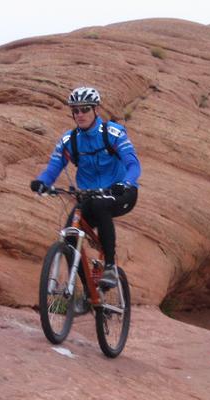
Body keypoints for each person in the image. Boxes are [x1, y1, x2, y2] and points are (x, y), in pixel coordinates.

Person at [30, 86, 141, 288]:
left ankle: (110, 267)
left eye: (85, 109)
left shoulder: (113, 133)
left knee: (100, 205)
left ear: (96, 110)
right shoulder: (69, 141)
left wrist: (125, 184)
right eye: (75, 110)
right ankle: (89, 292)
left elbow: (133, 165)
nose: (80, 114)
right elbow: (53, 168)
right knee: (70, 236)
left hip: (121, 192)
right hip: (89, 195)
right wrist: (42, 182)